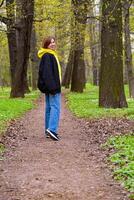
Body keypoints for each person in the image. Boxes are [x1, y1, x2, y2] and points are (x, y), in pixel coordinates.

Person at [37, 36, 61, 141]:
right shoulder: (48, 55)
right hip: (52, 87)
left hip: (50, 86)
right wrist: (52, 88)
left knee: (49, 108)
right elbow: (47, 74)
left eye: (54, 42)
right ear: (46, 45)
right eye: (50, 43)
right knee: (55, 107)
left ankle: (48, 130)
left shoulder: (48, 55)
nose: (53, 44)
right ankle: (52, 129)